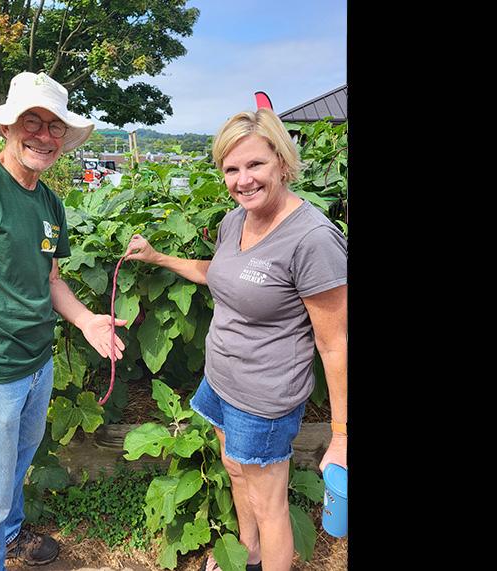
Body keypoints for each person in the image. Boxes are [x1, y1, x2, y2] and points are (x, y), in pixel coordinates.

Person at [0, 71, 127, 570]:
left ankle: (10, 536)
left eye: (56, 127)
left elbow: (50, 279)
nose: (45, 135)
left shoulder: (49, 201)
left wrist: (85, 322)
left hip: (38, 361)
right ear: (8, 127)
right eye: (32, 121)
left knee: (15, 466)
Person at [124, 108, 347, 571]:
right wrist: (158, 257)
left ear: (282, 162)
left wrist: (342, 435)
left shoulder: (312, 239)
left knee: (270, 504)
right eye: (231, 168)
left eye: (255, 165)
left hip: (264, 399)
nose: (243, 179)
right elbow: (221, 274)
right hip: (222, 381)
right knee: (233, 468)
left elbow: (335, 343)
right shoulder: (235, 221)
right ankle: (249, 555)